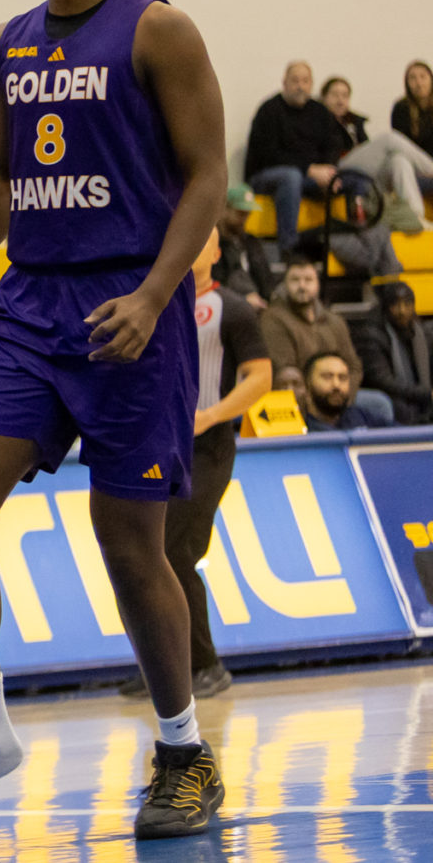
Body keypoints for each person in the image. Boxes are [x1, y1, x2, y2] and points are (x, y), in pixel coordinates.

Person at [0, 0, 227, 838]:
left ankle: (181, 751)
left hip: (130, 310)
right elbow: (4, 177)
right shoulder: (5, 41)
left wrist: (153, 293)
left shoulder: (159, 31)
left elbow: (207, 176)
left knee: (131, 550)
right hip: (30, 309)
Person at [122, 236, 269, 704]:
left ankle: (204, 664)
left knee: (173, 549)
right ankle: (164, 667)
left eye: (203, 240)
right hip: (160, 444)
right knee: (154, 552)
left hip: (209, 449)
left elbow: (261, 376)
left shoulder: (232, 309)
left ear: (217, 253)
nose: (192, 245)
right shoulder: (155, 303)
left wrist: (211, 414)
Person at [259, 258, 392, 427]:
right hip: (303, 398)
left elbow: (354, 365)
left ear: (318, 284)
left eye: (308, 280)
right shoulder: (272, 319)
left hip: (340, 395)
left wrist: (342, 394)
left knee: (380, 404)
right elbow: (287, 374)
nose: (302, 286)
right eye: (295, 280)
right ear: (284, 285)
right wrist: (318, 393)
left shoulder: (334, 320)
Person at [244, 63, 344, 247]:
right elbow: (268, 155)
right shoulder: (269, 110)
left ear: (311, 84)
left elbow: (333, 145)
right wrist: (310, 169)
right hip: (265, 176)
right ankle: (288, 246)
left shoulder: (320, 111)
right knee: (291, 177)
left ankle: (348, 241)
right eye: (295, 80)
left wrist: (329, 171)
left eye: (305, 81)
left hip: (308, 177)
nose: (300, 86)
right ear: (285, 83)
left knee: (354, 178)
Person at [331, 74, 433, 234]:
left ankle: (414, 216)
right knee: (389, 139)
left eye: (344, 95)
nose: (340, 99)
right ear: (324, 98)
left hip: (364, 173)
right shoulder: (319, 120)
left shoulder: (354, 122)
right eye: (334, 94)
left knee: (398, 160)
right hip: (337, 168)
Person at [352, 282, 433, 426]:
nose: (402, 310)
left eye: (407, 304)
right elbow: (383, 381)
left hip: (416, 392)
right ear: (386, 307)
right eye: (396, 305)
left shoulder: (419, 332)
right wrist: (424, 393)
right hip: (388, 395)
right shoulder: (370, 334)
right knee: (398, 406)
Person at [213, 184, 281, 303]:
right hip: (228, 305)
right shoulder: (213, 243)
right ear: (225, 209)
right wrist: (244, 300)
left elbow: (266, 278)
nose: (244, 219)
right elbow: (216, 283)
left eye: (247, 214)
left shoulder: (251, 241)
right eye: (240, 213)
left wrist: (270, 296)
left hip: (259, 304)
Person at [302, 352, 369, 431]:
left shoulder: (366, 418)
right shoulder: (299, 430)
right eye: (327, 377)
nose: (336, 385)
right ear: (307, 383)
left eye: (342, 378)